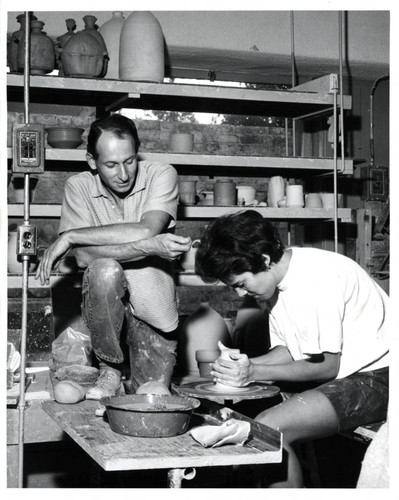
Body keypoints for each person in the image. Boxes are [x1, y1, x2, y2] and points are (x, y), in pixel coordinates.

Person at [195, 210, 389, 488]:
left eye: (240, 284)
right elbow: (290, 351)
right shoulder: (277, 284)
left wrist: (253, 372)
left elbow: (326, 365)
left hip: (381, 376)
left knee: (271, 426)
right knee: (250, 420)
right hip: (350, 375)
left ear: (263, 259)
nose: (239, 294)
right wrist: (244, 365)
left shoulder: (316, 278)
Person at [36, 114, 191, 399]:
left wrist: (72, 235)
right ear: (92, 161)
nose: (123, 174)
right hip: (102, 314)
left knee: (149, 403)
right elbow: (84, 258)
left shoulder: (161, 173)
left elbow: (147, 229)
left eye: (129, 161)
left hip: (154, 311)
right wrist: (148, 247)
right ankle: (111, 366)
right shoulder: (78, 187)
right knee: (104, 270)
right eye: (110, 165)